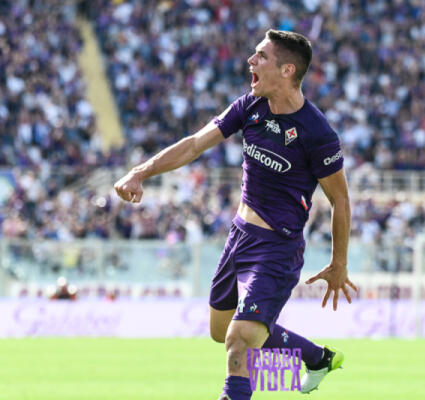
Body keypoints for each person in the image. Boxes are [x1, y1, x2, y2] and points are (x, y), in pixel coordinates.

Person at [114, 29, 357, 400]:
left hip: (276, 248)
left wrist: (339, 264)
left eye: (261, 56)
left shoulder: (317, 132)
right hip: (238, 238)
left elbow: (340, 199)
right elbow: (194, 145)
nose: (250, 61)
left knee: (239, 341)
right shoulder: (250, 105)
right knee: (222, 330)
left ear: (287, 70)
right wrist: (139, 172)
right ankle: (316, 358)